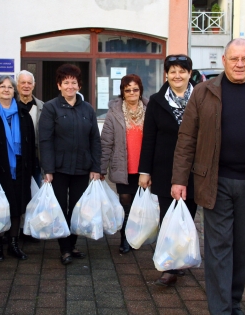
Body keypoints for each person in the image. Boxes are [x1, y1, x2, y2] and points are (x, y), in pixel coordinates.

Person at [171, 38, 245, 315]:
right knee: (219, 247)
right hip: (214, 181)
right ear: (223, 61)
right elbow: (187, 138)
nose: (240, 64)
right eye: (234, 58)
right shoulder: (203, 91)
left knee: (243, 248)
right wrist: (179, 179)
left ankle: (233, 302)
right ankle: (221, 309)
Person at [138, 54, 197, 286]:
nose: (177, 75)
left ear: (189, 74)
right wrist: (145, 170)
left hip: (194, 169)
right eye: (172, 71)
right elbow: (149, 137)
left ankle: (183, 258)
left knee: (188, 216)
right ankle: (169, 265)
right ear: (166, 74)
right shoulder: (156, 100)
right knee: (167, 215)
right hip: (164, 168)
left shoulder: (201, 97)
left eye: (182, 71)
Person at [39, 64, 101, 265]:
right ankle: (64, 248)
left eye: (73, 82)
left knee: (77, 208)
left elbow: (95, 140)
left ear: (79, 85)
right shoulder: (51, 108)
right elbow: (45, 140)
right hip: (58, 168)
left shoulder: (88, 109)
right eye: (66, 82)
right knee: (60, 207)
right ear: (59, 85)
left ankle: (72, 244)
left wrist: (96, 167)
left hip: (82, 168)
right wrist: (47, 169)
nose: (70, 86)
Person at [0, 75, 35, 261]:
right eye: (2, 87)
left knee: (17, 205)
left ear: (15, 91)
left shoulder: (23, 113)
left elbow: (31, 143)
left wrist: (30, 167)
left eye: (10, 87)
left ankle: (13, 243)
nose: (6, 90)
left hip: (20, 167)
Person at [100, 74, 148, 254]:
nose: (132, 93)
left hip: (144, 168)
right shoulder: (114, 113)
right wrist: (101, 168)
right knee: (125, 202)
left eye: (135, 89)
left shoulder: (150, 110)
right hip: (123, 166)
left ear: (140, 90)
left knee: (140, 204)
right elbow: (106, 143)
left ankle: (138, 236)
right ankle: (125, 238)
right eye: (127, 90)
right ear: (122, 92)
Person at [16, 70, 43, 186]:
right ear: (17, 85)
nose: (26, 86)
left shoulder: (43, 107)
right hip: (16, 160)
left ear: (34, 85)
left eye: (29, 83)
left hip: (36, 160)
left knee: (36, 199)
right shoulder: (10, 107)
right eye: (23, 82)